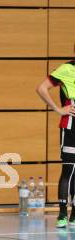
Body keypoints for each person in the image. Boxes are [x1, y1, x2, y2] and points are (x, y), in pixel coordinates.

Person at [37, 43, 75, 228]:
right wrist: (58, 109)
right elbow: (42, 88)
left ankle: (74, 215)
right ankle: (62, 215)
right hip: (70, 126)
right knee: (69, 170)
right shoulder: (67, 69)